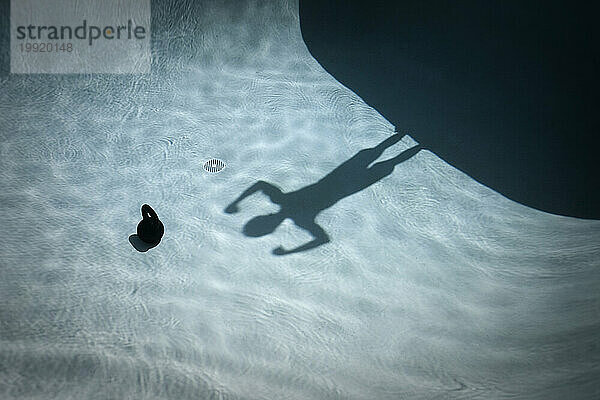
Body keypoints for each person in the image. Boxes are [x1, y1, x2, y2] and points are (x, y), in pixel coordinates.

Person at [225, 134, 421, 255]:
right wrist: (236, 202)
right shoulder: (288, 206)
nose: (265, 218)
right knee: (379, 156)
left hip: (347, 184)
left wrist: (289, 252)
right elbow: (260, 185)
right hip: (343, 179)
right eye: (261, 221)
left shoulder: (298, 216)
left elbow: (322, 239)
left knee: (385, 160)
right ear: (262, 219)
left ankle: (420, 144)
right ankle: (412, 139)